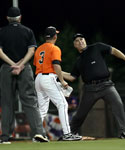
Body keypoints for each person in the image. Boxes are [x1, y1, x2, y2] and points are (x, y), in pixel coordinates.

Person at [62, 33, 125, 139]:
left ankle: (122, 133)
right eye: (77, 40)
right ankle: (69, 134)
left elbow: (113, 50)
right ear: (74, 45)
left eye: (82, 39)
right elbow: (72, 77)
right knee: (80, 114)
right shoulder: (79, 61)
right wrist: (57, 71)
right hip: (90, 89)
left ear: (85, 40)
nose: (80, 41)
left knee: (118, 105)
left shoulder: (96, 47)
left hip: (106, 85)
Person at [0, 7, 49, 143]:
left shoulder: (1, 32)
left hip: (6, 68)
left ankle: (5, 138)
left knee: (7, 103)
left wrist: (13, 64)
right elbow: (32, 51)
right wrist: (21, 65)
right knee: (30, 101)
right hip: (24, 68)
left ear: (7, 18)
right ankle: (39, 134)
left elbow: (0, 52)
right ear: (20, 18)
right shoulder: (27, 31)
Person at [33, 26, 82, 141]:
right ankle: (67, 134)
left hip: (38, 78)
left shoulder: (39, 49)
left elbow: (40, 65)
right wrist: (62, 80)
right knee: (63, 104)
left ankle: (37, 135)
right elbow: (55, 66)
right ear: (55, 36)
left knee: (42, 109)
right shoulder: (54, 48)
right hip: (48, 78)